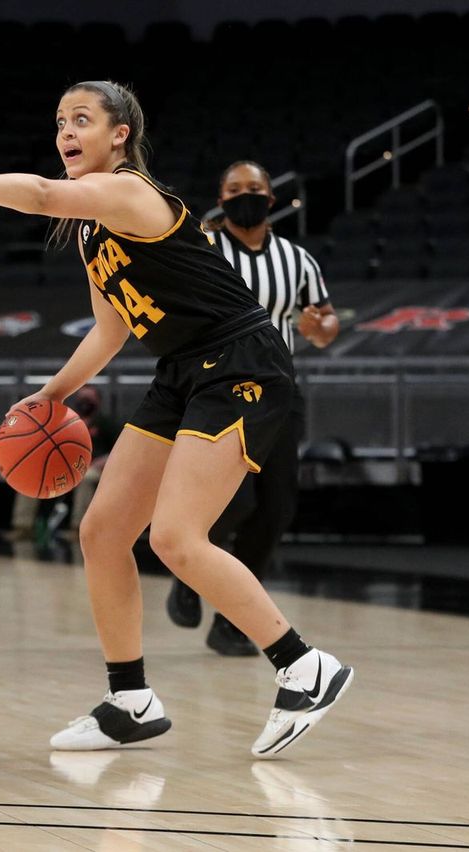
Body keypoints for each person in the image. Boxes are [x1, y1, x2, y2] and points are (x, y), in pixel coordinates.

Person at [0, 80, 353, 758]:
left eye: (81, 118)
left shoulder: (129, 191)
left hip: (240, 362)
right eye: (59, 119)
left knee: (176, 537)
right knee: (104, 531)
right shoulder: (93, 230)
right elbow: (110, 330)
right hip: (181, 370)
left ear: (119, 133)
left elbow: (38, 194)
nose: (65, 130)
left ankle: (304, 665)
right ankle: (132, 701)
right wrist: (50, 395)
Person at [167, 161, 339, 656]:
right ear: (220, 198)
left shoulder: (297, 259)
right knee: (235, 499)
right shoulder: (205, 248)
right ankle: (192, 562)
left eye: (254, 189)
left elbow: (325, 324)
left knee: (276, 507)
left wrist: (320, 330)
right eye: (234, 189)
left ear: (270, 198)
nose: (245, 196)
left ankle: (231, 623)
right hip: (220, 388)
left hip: (280, 389)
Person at [7, 384, 117, 541]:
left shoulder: (106, 423)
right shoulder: (66, 420)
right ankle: (23, 527)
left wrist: (100, 462)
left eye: (89, 399)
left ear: (98, 402)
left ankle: (77, 528)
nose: (85, 402)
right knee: (30, 477)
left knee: (86, 478)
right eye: (82, 398)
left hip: (94, 468)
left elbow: (118, 451)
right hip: (66, 467)